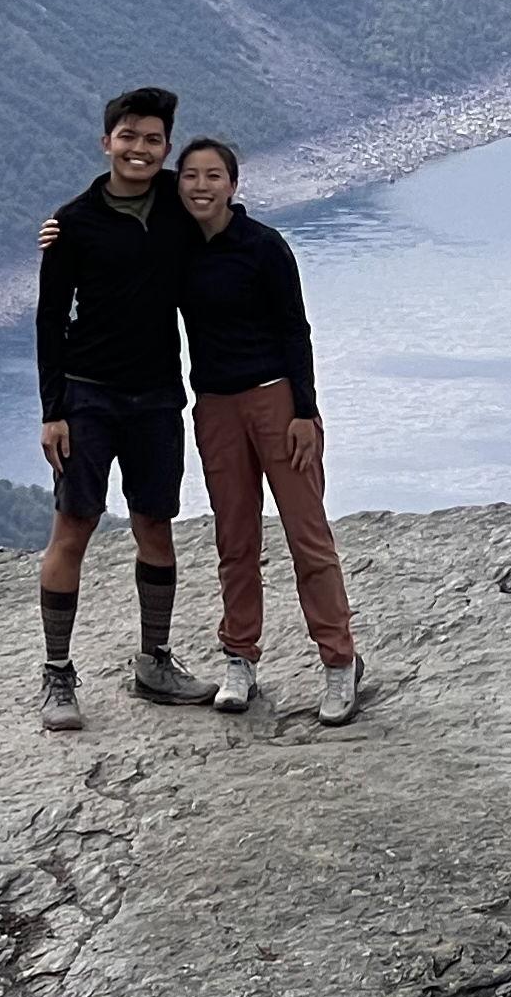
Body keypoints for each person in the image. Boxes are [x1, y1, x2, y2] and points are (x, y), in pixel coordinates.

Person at [31, 86, 210, 730]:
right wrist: (53, 410)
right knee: (73, 526)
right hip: (88, 394)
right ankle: (56, 675)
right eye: (128, 136)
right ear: (106, 141)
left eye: (152, 139)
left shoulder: (178, 205)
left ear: (166, 149)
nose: (139, 149)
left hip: (159, 393)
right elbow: (50, 321)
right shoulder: (72, 224)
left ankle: (154, 661)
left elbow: (223, 223)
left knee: (155, 525)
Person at [175, 135, 364, 726]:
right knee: (235, 538)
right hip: (214, 406)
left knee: (307, 535)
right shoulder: (175, 249)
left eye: (213, 176)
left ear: (233, 186)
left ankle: (339, 662)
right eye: (190, 177)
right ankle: (240, 657)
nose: (201, 186)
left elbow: (294, 331)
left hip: (275, 401)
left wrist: (305, 414)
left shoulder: (264, 248)